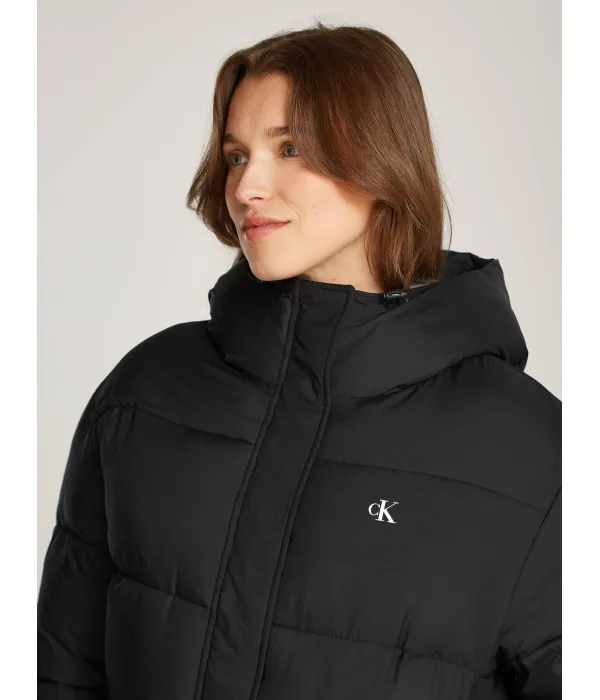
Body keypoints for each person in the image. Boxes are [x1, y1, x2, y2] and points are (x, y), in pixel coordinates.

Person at [38, 21, 561, 700]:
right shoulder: (146, 393)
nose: (247, 187)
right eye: (236, 156)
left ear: (380, 158)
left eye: (289, 148)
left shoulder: (527, 446)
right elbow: (62, 668)